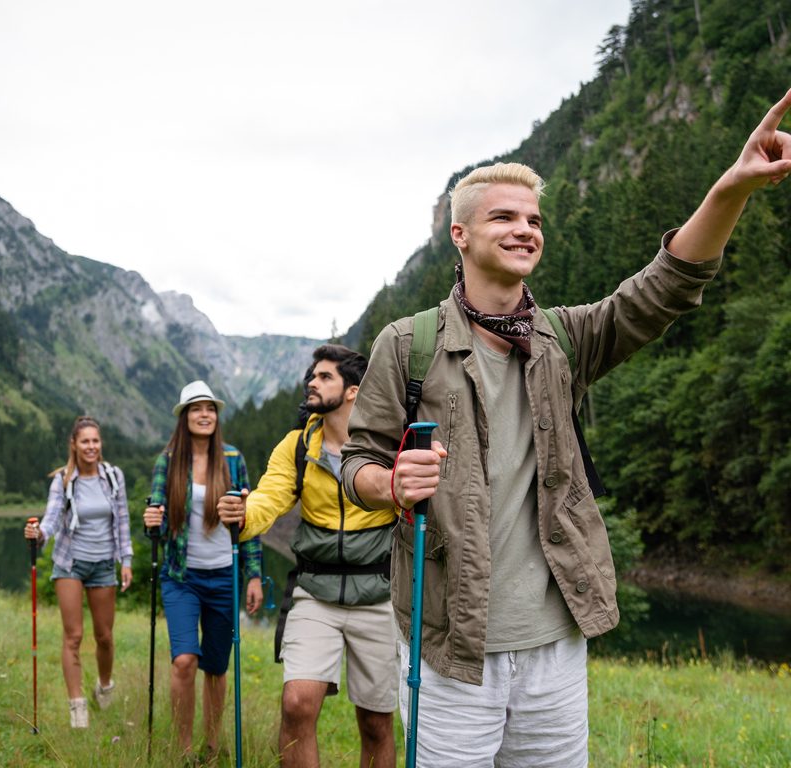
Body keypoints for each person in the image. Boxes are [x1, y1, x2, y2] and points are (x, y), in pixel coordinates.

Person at [341, 90, 791, 766]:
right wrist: (390, 482)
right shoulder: (409, 345)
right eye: (504, 217)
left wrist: (730, 189)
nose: (526, 229)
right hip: (449, 646)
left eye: (534, 219)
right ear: (459, 234)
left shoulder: (564, 339)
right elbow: (356, 465)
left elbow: (664, 288)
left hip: (556, 641)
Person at [219, 344, 398, 768]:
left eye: (324, 377)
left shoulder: (388, 441)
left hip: (381, 592)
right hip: (314, 590)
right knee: (297, 703)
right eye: (311, 376)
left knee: (376, 722)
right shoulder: (297, 446)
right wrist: (244, 515)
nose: (311, 383)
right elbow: (269, 497)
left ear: (353, 391)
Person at [143, 380, 264, 761]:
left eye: (210, 408)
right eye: (196, 408)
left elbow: (249, 520)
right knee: (184, 660)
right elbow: (159, 524)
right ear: (184, 417)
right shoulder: (168, 460)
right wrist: (151, 521)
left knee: (216, 665)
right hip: (181, 577)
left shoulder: (233, 460)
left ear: (216, 416)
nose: (204, 414)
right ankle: (184, 749)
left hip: (224, 577)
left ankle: (212, 745)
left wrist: (254, 574)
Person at [24, 415, 133, 729]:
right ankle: (77, 708)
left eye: (95, 441)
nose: (91, 447)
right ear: (73, 444)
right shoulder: (63, 480)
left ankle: (104, 684)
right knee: (73, 637)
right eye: (85, 441)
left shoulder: (113, 477)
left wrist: (125, 559)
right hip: (70, 563)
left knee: (105, 637)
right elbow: (52, 518)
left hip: (103, 565)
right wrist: (39, 535)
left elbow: (123, 520)